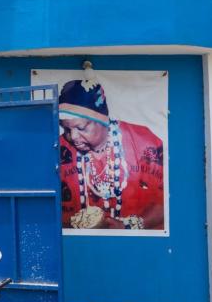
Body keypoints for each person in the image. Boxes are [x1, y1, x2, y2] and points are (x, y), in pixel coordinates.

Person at [58, 79, 165, 231]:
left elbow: (171, 199)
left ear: (102, 120)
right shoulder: (58, 149)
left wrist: (130, 227)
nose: (73, 136)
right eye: (66, 129)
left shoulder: (143, 141)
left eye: (80, 127)